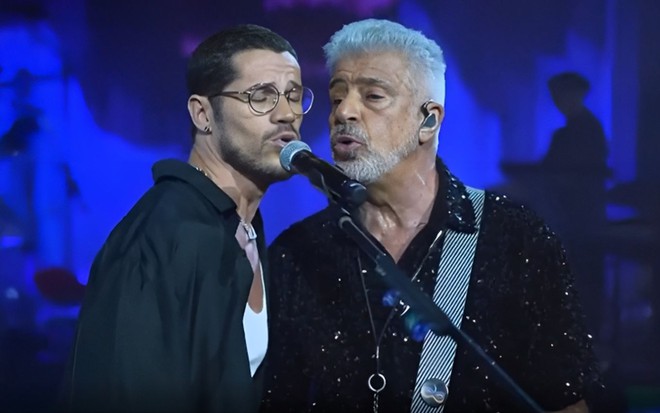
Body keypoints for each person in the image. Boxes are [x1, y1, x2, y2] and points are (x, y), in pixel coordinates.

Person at [262, 19, 601, 413]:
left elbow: (564, 401)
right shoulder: (296, 253)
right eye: (337, 98)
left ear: (430, 121)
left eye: (372, 96)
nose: (344, 112)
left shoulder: (515, 238)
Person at [61, 24, 313, 413]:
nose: (286, 114)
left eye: (294, 97)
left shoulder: (241, 228)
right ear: (202, 114)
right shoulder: (162, 235)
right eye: (261, 97)